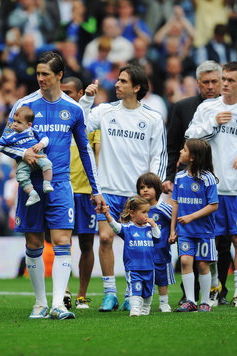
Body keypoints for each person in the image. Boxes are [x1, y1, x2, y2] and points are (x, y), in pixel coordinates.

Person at [5, 51, 104, 320]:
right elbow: (4, 141)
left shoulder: (72, 109)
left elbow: (84, 150)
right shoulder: (24, 105)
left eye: (45, 74)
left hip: (60, 184)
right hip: (31, 186)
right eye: (37, 74)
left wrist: (96, 190)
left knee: (63, 241)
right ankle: (39, 303)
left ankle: (59, 303)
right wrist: (20, 154)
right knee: (34, 242)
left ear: (59, 75)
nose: (40, 79)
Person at [185, 61, 237, 308]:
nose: (224, 84)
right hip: (210, 187)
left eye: (230, 80)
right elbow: (190, 137)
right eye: (223, 79)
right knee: (209, 242)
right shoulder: (207, 108)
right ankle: (214, 288)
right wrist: (213, 123)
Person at [83, 64, 167, 312]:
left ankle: (134, 293)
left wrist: (153, 191)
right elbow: (79, 126)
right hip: (107, 187)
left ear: (137, 87)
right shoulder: (105, 111)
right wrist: (87, 100)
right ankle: (110, 293)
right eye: (117, 80)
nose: (117, 84)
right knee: (106, 238)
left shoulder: (152, 118)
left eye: (123, 81)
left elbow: (158, 156)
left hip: (136, 193)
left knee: (138, 243)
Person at [163, 60, 224, 306]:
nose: (210, 86)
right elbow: (172, 146)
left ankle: (217, 293)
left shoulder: (232, 109)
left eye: (215, 81)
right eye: (206, 82)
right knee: (189, 258)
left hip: (222, 184)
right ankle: (191, 298)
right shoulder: (183, 108)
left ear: (221, 82)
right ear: (198, 83)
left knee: (223, 244)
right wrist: (168, 176)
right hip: (189, 186)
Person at [60, 77, 99, 309]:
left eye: (69, 92)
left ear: (81, 93)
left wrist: (98, 190)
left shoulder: (90, 120)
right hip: (62, 187)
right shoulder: (57, 117)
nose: (65, 96)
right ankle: (63, 290)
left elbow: (98, 157)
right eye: (62, 92)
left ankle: (81, 294)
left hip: (84, 191)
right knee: (61, 242)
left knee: (86, 244)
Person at [169, 138, 219, 312]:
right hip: (185, 231)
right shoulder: (180, 177)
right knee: (185, 261)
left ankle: (205, 301)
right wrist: (172, 229)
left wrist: (191, 216)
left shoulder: (208, 179)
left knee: (203, 264)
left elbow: (213, 205)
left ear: (192, 157)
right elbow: (175, 204)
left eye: (184, 150)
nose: (181, 152)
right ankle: (190, 300)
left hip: (204, 231)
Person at [103, 196, 160, 316]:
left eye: (147, 212)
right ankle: (135, 309)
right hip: (133, 268)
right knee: (135, 290)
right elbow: (115, 226)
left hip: (149, 267)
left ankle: (145, 308)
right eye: (143, 212)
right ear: (132, 213)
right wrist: (107, 215)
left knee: (148, 291)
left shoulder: (149, 228)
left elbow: (158, 237)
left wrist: (154, 225)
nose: (147, 215)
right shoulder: (128, 228)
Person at [0, 106, 54, 206]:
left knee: (47, 164)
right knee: (21, 176)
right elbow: (0, 143)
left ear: (29, 124)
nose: (14, 124)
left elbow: (45, 138)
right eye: (14, 121)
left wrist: (41, 144)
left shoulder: (32, 131)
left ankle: (47, 183)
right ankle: (32, 194)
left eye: (19, 122)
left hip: (38, 154)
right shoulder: (11, 136)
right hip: (24, 160)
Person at [137, 172, 173, 313]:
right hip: (142, 252)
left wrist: (173, 233)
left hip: (160, 251)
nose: (145, 190)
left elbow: (175, 221)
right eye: (142, 187)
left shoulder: (163, 208)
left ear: (157, 189)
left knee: (162, 278)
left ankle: (164, 303)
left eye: (149, 187)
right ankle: (141, 303)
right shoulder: (138, 210)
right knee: (143, 278)